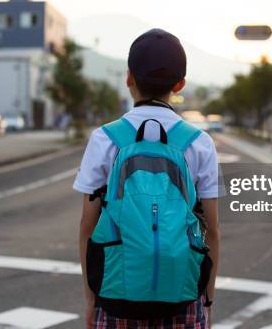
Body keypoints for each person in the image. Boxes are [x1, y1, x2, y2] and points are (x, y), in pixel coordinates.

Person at [74, 29, 221, 328]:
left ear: (129, 77)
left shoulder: (104, 139)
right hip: (183, 298)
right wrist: (206, 301)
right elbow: (213, 231)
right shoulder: (199, 143)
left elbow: (88, 229)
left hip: (115, 298)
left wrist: (91, 298)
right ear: (179, 84)